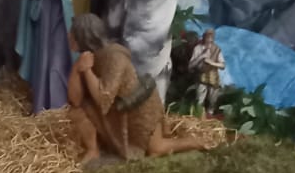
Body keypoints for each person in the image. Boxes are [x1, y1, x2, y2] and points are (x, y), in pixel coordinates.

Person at [66, 15, 214, 163]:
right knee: (76, 111)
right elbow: (75, 100)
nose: (68, 36)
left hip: (139, 109)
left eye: (72, 33)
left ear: (83, 36)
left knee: (157, 149)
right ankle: (93, 150)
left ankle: (196, 142)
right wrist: (77, 68)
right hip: (117, 113)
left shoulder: (114, 57)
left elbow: (103, 98)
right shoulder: (91, 57)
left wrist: (86, 70)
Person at [188, 27, 226, 114]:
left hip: (213, 78)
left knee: (212, 101)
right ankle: (198, 115)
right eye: (207, 37)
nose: (209, 39)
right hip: (201, 77)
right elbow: (190, 66)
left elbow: (223, 65)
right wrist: (201, 56)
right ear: (204, 37)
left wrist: (212, 63)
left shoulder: (217, 49)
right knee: (199, 100)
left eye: (211, 37)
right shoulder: (198, 48)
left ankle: (210, 115)